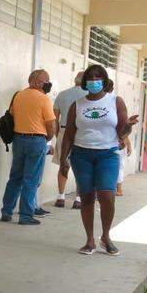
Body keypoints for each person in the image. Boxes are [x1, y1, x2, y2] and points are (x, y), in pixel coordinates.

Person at [61, 64, 139, 255]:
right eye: (90, 78)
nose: (94, 81)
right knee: (87, 197)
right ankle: (89, 240)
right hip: (82, 155)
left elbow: (121, 130)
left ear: (104, 81)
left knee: (107, 197)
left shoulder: (115, 101)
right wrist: (64, 159)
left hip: (108, 154)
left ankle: (106, 236)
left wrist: (128, 127)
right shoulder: (77, 104)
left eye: (98, 78)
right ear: (85, 82)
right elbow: (69, 134)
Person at [0, 69, 57, 225]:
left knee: (15, 178)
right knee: (31, 180)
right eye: (47, 80)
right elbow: (51, 124)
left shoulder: (18, 95)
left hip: (18, 139)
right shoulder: (43, 99)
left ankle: (6, 211)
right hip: (36, 140)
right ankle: (25, 215)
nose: (48, 83)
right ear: (38, 82)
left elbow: (11, 115)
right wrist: (49, 138)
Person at [53, 71, 86, 209]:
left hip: (63, 131)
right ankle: (78, 199)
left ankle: (61, 197)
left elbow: (55, 118)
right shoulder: (89, 96)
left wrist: (58, 134)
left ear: (75, 80)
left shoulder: (62, 94)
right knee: (82, 168)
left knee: (63, 165)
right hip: (81, 133)